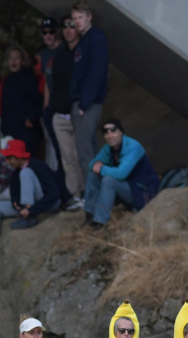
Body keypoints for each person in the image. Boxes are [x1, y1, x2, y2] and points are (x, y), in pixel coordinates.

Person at [0, 139, 61, 255]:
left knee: (26, 173)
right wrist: (16, 200)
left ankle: (28, 218)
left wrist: (31, 210)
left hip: (46, 204)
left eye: (10, 158)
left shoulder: (37, 165)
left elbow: (54, 193)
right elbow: (14, 190)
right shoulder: (16, 170)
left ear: (18, 156)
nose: (8, 161)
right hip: (28, 207)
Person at [83, 118, 160, 228]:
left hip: (142, 193)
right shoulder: (109, 148)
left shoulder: (133, 146)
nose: (110, 136)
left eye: (113, 131)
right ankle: (90, 215)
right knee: (92, 175)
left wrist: (101, 168)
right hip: (128, 188)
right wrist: (98, 163)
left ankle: (100, 222)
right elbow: (91, 166)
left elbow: (121, 173)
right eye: (106, 132)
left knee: (108, 179)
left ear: (121, 132)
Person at [69, 2, 109, 181]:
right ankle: (101, 193)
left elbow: (97, 73)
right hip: (81, 102)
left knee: (85, 152)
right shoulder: (83, 42)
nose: (77, 22)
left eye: (80, 17)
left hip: (88, 103)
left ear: (89, 17)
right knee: (91, 150)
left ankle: (93, 197)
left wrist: (85, 102)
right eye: (74, 18)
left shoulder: (96, 39)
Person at [50, 15, 85, 204]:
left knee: (82, 154)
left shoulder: (84, 51)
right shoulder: (60, 56)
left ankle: (90, 192)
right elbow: (55, 85)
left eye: (72, 26)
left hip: (79, 112)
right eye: (65, 27)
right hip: (60, 114)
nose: (69, 30)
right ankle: (76, 195)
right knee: (67, 159)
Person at [0, 47, 42, 153]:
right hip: (9, 130)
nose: (13, 61)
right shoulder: (6, 80)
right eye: (11, 58)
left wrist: (31, 118)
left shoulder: (30, 79)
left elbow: (41, 102)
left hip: (26, 131)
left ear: (22, 61)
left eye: (16, 58)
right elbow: (3, 105)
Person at [36, 17, 64, 173]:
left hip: (66, 105)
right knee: (56, 148)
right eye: (44, 32)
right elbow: (47, 79)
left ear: (57, 32)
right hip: (52, 108)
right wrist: (45, 108)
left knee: (70, 146)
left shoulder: (65, 48)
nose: (48, 35)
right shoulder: (45, 54)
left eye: (51, 32)